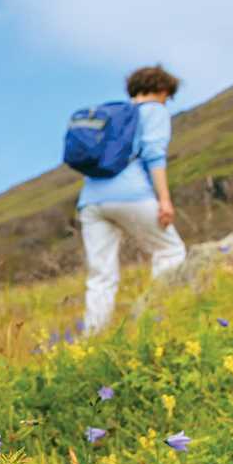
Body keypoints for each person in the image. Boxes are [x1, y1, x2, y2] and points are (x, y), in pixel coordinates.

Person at [76, 66, 186, 336]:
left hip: (91, 201)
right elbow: (153, 154)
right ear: (162, 90)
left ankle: (93, 339)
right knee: (170, 252)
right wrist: (164, 199)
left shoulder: (113, 116)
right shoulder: (155, 112)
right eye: (167, 97)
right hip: (132, 194)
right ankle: (158, 321)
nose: (166, 101)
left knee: (101, 276)